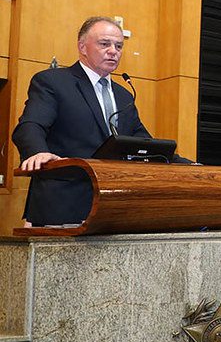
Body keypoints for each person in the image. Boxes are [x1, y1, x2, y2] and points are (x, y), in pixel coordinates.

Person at [12, 16, 190, 226]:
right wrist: (37, 151)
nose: (113, 51)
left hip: (112, 207)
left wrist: (188, 166)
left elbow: (143, 143)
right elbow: (31, 125)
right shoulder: (53, 82)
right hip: (63, 205)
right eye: (105, 44)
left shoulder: (124, 95)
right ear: (82, 47)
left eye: (119, 46)